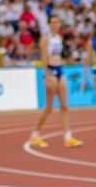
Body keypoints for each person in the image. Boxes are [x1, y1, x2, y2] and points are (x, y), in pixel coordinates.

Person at [28, 8, 79, 148]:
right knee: (49, 108)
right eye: (53, 22)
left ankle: (68, 137)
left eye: (57, 22)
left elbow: (60, 55)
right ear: (49, 24)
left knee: (64, 105)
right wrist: (46, 75)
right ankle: (35, 134)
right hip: (50, 70)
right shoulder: (45, 39)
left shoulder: (59, 38)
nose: (55, 24)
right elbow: (44, 58)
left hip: (60, 69)